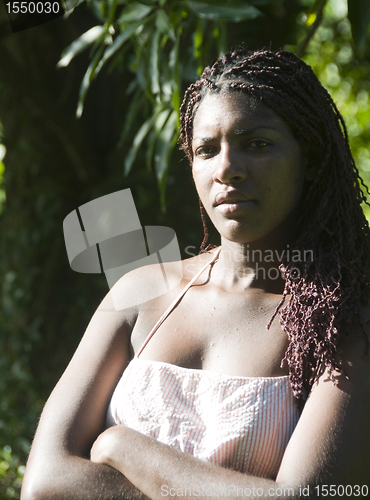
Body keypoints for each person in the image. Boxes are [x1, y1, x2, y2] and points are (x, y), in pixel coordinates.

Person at [21, 48, 370, 500]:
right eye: (207, 150)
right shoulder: (142, 294)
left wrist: (123, 446)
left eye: (257, 144)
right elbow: (45, 482)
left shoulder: (346, 317)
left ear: (312, 158)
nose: (227, 168)